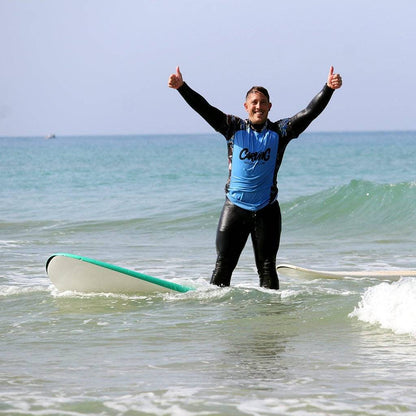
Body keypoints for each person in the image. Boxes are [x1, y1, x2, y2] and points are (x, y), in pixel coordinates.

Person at [168, 66, 342, 289]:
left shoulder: (280, 132)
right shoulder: (232, 128)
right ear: (246, 106)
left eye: (263, 102)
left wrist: (328, 88)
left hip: (266, 210)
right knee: (223, 267)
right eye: (254, 102)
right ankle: (219, 319)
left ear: (269, 107)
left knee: (267, 268)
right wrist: (182, 87)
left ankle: (270, 319)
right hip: (235, 208)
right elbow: (205, 109)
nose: (258, 106)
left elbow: (309, 112)